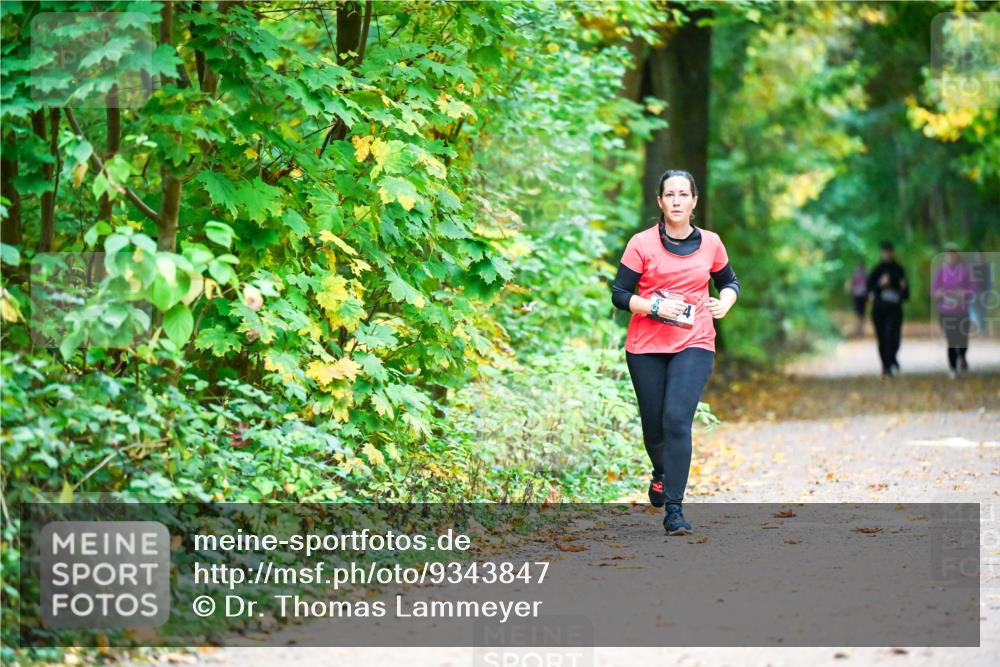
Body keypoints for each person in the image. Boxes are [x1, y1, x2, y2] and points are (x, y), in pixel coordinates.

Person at [610, 170, 740, 536]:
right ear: (660, 202)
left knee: (676, 420)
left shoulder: (712, 243)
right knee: (653, 428)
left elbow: (728, 281)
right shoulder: (641, 244)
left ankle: (675, 510)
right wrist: (652, 307)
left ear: (694, 201)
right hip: (646, 346)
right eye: (671, 195)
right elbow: (620, 294)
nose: (678, 201)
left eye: (684, 194)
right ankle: (660, 473)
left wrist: (725, 303)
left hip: (694, 341)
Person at [931, 244, 975, 378]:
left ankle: (962, 356)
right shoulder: (940, 272)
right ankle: (952, 367)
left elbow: (973, 289)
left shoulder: (965, 271)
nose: (951, 256)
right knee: (951, 339)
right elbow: (934, 290)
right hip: (946, 311)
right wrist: (938, 293)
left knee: (962, 339)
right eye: (948, 254)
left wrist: (964, 294)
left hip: (961, 311)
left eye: (953, 254)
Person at [866, 242, 909, 378]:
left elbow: (907, 295)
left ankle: (892, 359)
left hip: (895, 309)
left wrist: (904, 289)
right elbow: (869, 290)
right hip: (879, 310)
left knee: (893, 337)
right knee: (882, 338)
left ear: (893, 252)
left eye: (889, 251)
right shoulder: (877, 270)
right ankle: (885, 366)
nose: (887, 254)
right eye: (885, 252)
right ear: (882, 253)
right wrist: (879, 285)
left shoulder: (899, 269)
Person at [848, 260, 868, 337]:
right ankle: (858, 329)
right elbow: (850, 284)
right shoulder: (855, 275)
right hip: (856, 296)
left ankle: (860, 329)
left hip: (862, 297)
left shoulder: (866, 275)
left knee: (861, 313)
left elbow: (869, 285)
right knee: (858, 313)